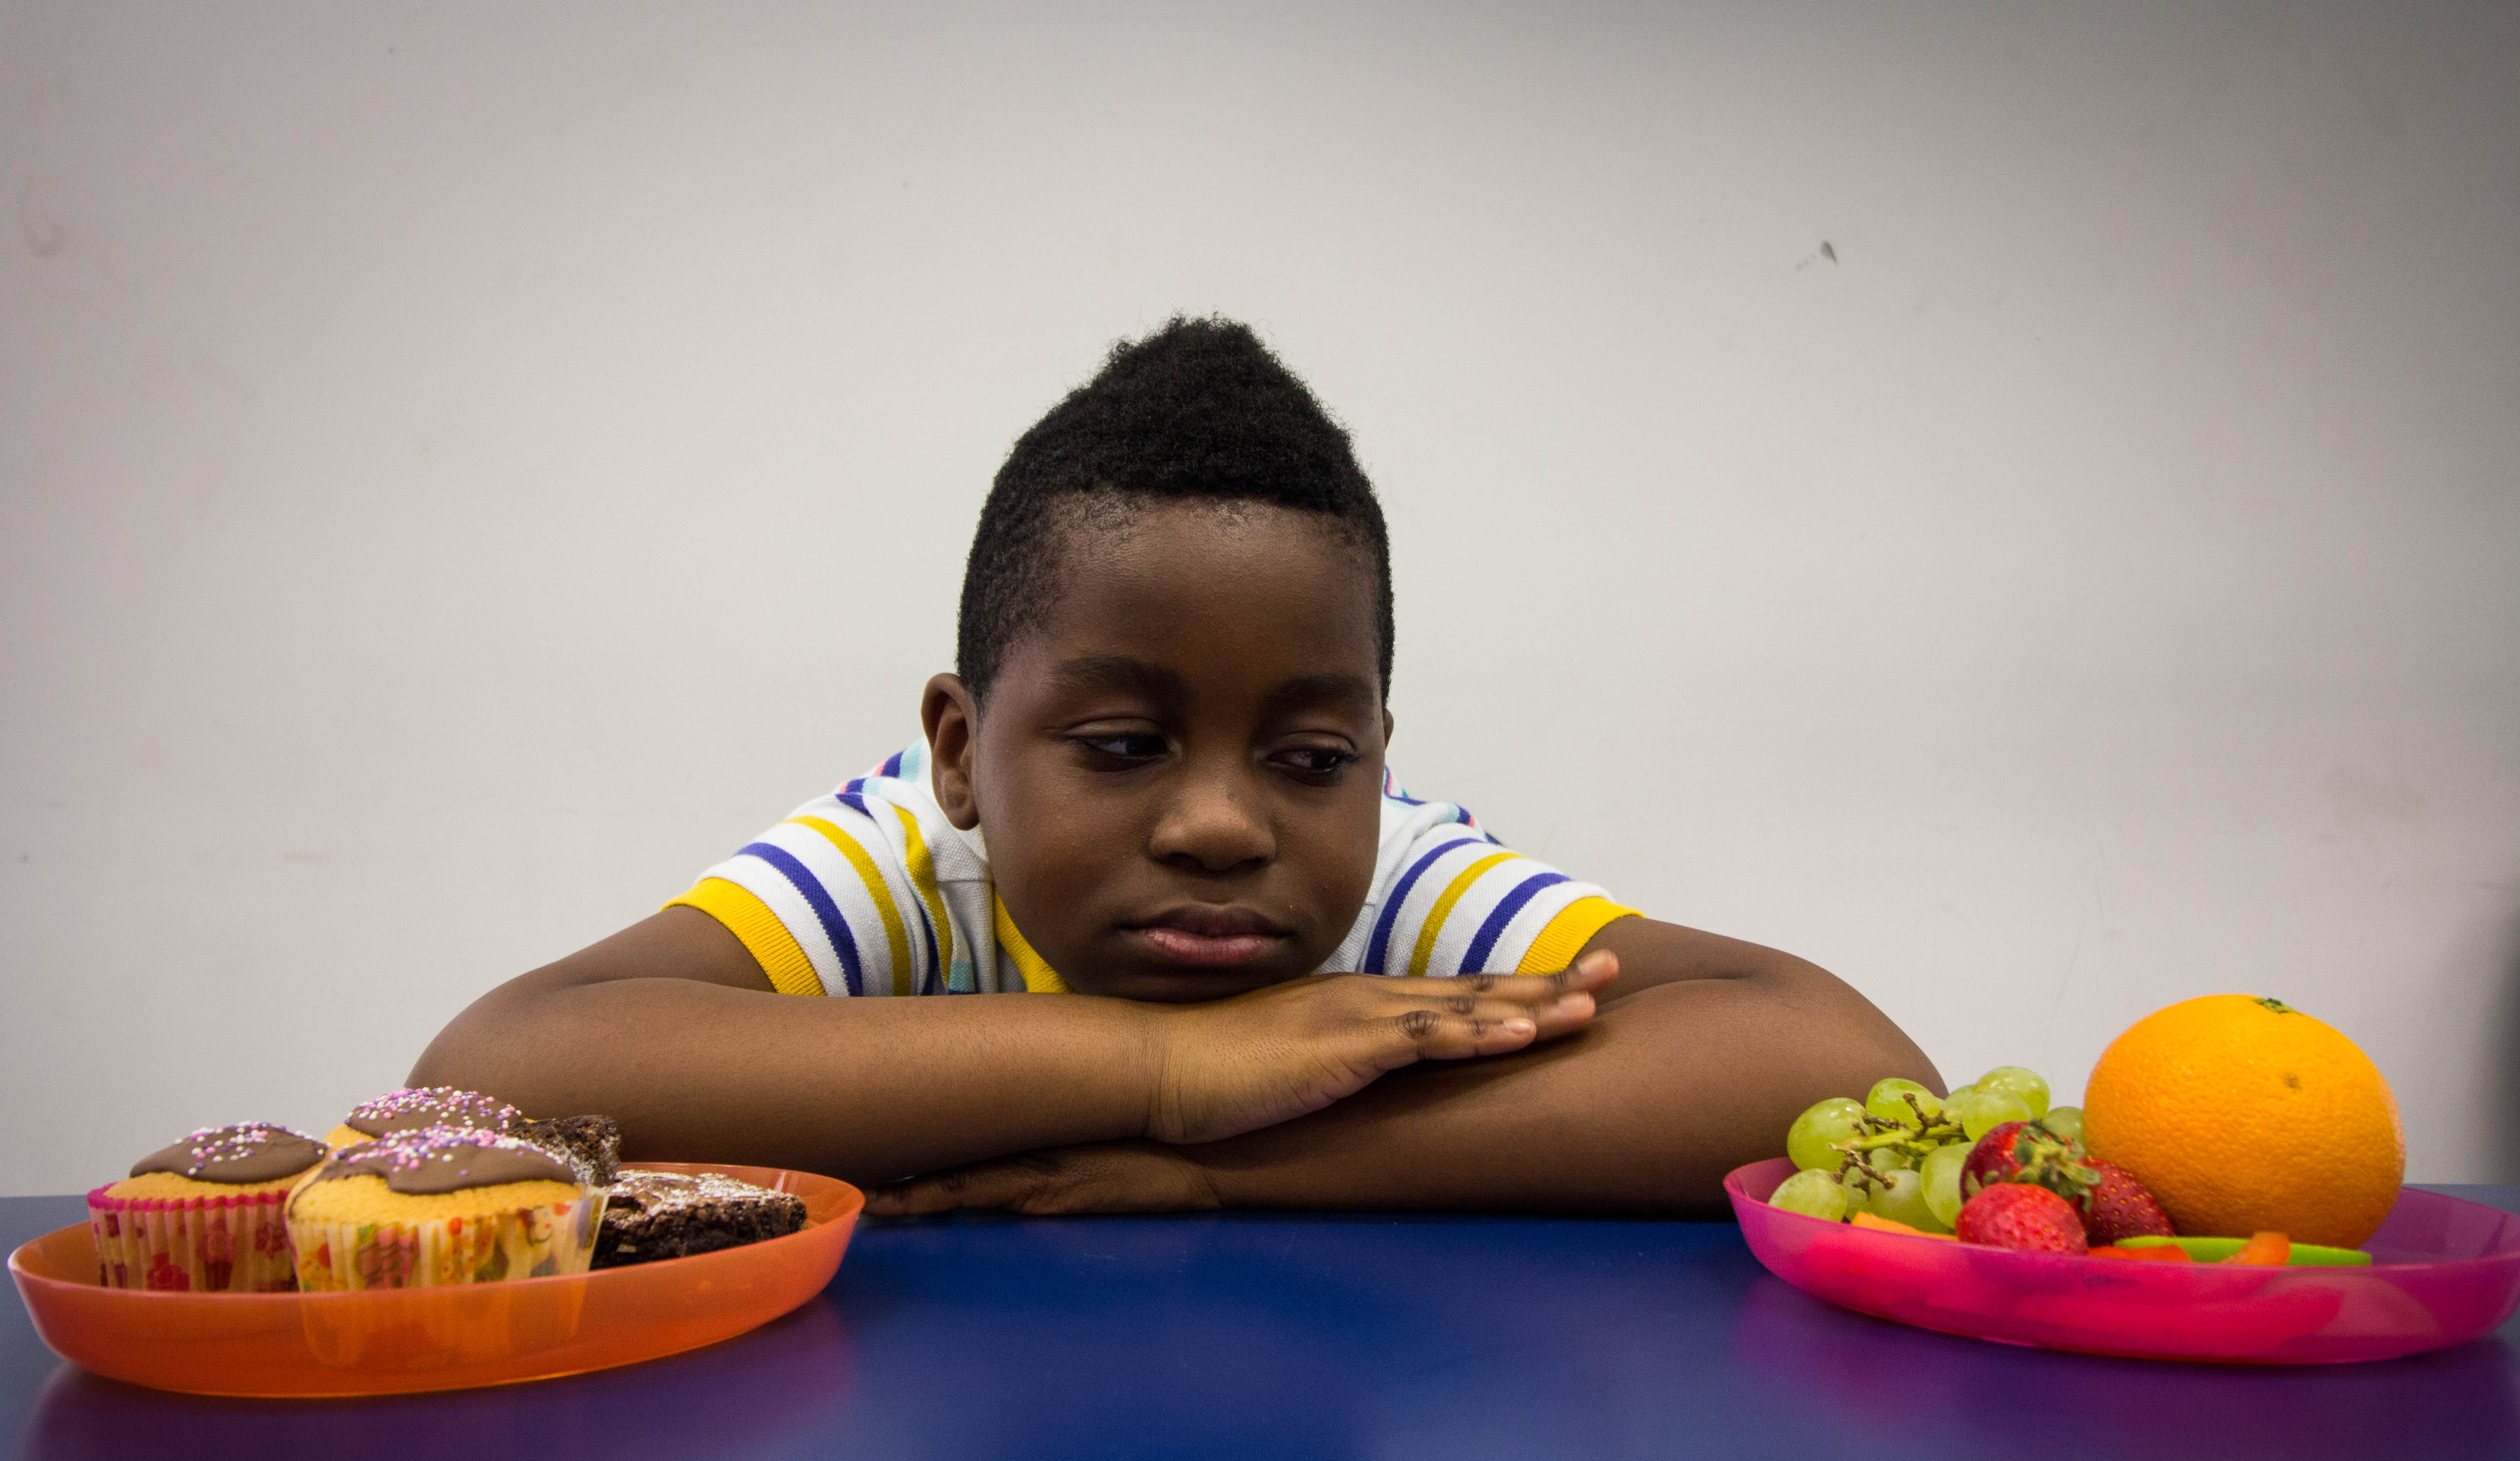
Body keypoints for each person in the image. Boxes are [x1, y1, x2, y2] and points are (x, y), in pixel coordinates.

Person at [411, 318, 1939, 1216]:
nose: (1223, 821)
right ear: (959, 752)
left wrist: (1240, 1166)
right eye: (1125, 744)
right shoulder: (908, 864)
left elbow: (1841, 1065)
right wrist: (1164, 1067)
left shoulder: (1389, 877)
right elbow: (500, 1070)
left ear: (1379, 761)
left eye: (1312, 755)